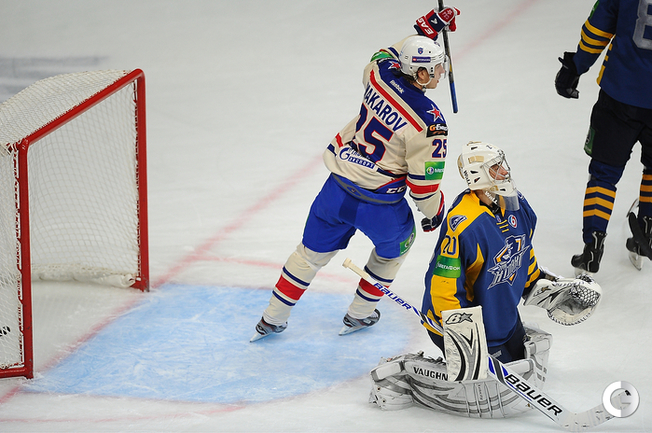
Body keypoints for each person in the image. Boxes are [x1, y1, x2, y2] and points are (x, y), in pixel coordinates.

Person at [250, 6, 461, 342]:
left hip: (336, 190)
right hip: (381, 205)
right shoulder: (429, 122)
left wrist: (426, 30)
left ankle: (272, 317)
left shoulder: (379, 74)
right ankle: (360, 313)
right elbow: (423, 187)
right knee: (394, 251)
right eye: (435, 67)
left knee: (308, 254)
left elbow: (386, 54)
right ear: (420, 74)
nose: (441, 71)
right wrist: (434, 213)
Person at [366, 141, 602, 418]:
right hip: (464, 324)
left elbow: (523, 249)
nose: (505, 171)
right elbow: (443, 284)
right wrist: (460, 334)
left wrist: (542, 284)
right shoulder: (465, 223)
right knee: (491, 391)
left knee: (525, 364)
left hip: (501, 318)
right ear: (477, 175)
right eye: (495, 167)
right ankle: (401, 372)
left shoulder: (517, 205)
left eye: (502, 164)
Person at [554, 0, 652, 274]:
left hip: (619, 94)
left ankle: (592, 249)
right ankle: (646, 231)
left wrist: (575, 67)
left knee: (604, 174)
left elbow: (597, 29)